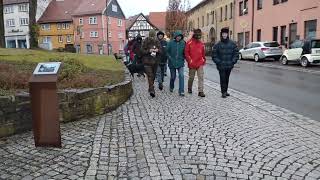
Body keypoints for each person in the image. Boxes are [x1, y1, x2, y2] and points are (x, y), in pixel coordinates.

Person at [212, 28, 239, 98]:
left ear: (227, 34)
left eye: (225, 34)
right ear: (221, 34)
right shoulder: (217, 44)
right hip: (221, 65)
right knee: (222, 78)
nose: (224, 35)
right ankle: (223, 92)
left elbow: (236, 53)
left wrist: (233, 61)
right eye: (223, 34)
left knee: (227, 78)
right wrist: (219, 62)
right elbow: (214, 55)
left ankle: (226, 91)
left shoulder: (232, 44)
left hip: (229, 65)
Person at [185, 29, 206, 97]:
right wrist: (190, 60)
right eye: (198, 35)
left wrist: (203, 60)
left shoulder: (201, 43)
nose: (199, 36)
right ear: (195, 35)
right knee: (191, 77)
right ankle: (189, 88)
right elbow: (186, 53)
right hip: (192, 63)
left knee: (201, 77)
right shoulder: (189, 42)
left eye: (200, 35)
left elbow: (203, 53)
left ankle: (200, 91)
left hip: (200, 62)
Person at [141, 30, 162, 98]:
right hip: (147, 62)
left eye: (153, 36)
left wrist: (157, 50)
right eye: (151, 36)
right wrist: (148, 51)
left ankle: (150, 87)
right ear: (149, 36)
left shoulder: (157, 42)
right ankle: (152, 90)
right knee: (150, 75)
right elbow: (141, 51)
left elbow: (161, 50)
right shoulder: (145, 41)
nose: (152, 38)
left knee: (153, 76)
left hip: (155, 62)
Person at [167, 31, 186, 96]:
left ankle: (181, 91)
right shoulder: (170, 43)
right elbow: (166, 51)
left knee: (181, 75)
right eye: (177, 36)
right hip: (172, 62)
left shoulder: (183, 43)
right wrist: (169, 57)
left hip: (180, 62)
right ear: (175, 36)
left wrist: (184, 57)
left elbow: (185, 52)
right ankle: (171, 86)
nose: (179, 37)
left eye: (180, 36)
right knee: (173, 77)